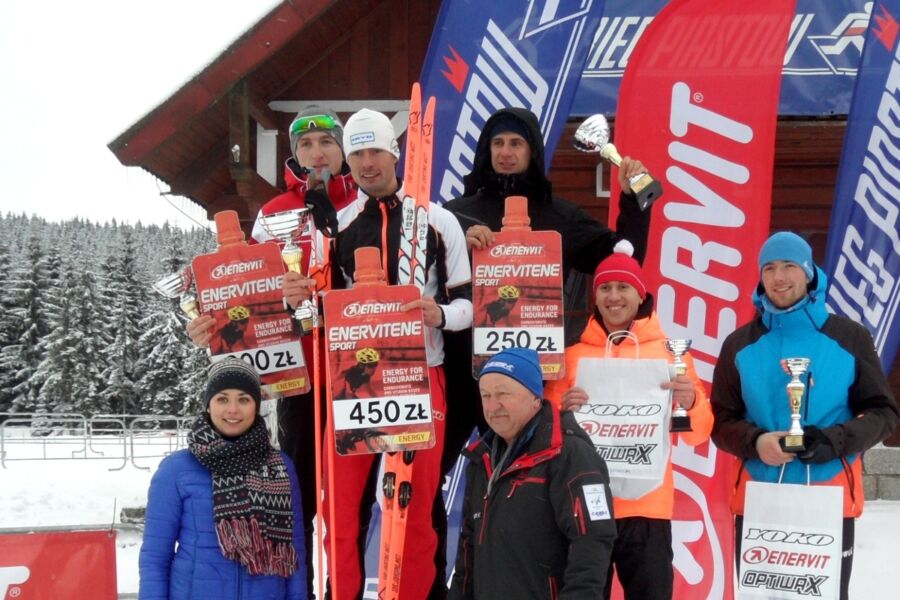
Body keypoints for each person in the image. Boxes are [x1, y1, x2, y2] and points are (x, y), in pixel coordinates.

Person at [439, 107, 653, 573]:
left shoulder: (557, 215)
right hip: (463, 373)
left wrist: (634, 201)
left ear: (532, 153)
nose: (506, 152)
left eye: (516, 144)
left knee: (533, 486)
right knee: (437, 478)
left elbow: (619, 258)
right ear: (485, 151)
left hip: (532, 381)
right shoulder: (455, 214)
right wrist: (454, 240)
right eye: (498, 144)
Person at [296, 108, 472, 599]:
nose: (367, 163)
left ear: (395, 153)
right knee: (342, 510)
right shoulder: (335, 230)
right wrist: (305, 298)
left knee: (414, 510)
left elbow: (471, 306)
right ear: (347, 161)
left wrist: (439, 314)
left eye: (376, 150)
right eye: (357, 153)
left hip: (421, 376)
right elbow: (318, 311)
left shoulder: (439, 222)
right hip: (353, 381)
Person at [187, 106, 356, 598]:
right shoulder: (275, 210)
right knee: (300, 488)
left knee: (352, 495)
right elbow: (244, 291)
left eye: (326, 142)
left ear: (342, 150)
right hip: (298, 370)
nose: (317, 152)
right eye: (306, 145)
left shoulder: (364, 201)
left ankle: (345, 585)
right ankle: (300, 587)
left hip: (355, 367)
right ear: (296, 156)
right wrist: (211, 327)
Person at [710, 231, 899, 600]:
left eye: (789, 266)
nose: (779, 277)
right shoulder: (739, 345)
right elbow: (720, 421)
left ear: (809, 272)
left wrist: (834, 441)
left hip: (827, 496)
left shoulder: (849, 337)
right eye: (769, 268)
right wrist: (755, 441)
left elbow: (884, 412)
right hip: (759, 498)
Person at [545, 253, 713, 600]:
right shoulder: (573, 356)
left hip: (647, 506)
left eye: (623, 287)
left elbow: (700, 432)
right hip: (587, 503)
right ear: (596, 296)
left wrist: (692, 403)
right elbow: (548, 429)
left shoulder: (672, 356)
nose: (614, 296)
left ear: (641, 295)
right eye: (605, 288)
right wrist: (562, 412)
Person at [448, 347, 616, 599]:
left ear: (535, 397)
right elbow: (468, 552)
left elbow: (593, 542)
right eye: (486, 395)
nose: (493, 406)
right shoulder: (480, 460)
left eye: (504, 393)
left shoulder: (570, 455)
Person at [139, 357, 307, 600]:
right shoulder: (176, 470)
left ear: (256, 405)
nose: (233, 409)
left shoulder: (281, 467)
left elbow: (295, 555)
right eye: (222, 399)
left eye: (244, 399)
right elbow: (155, 558)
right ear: (209, 404)